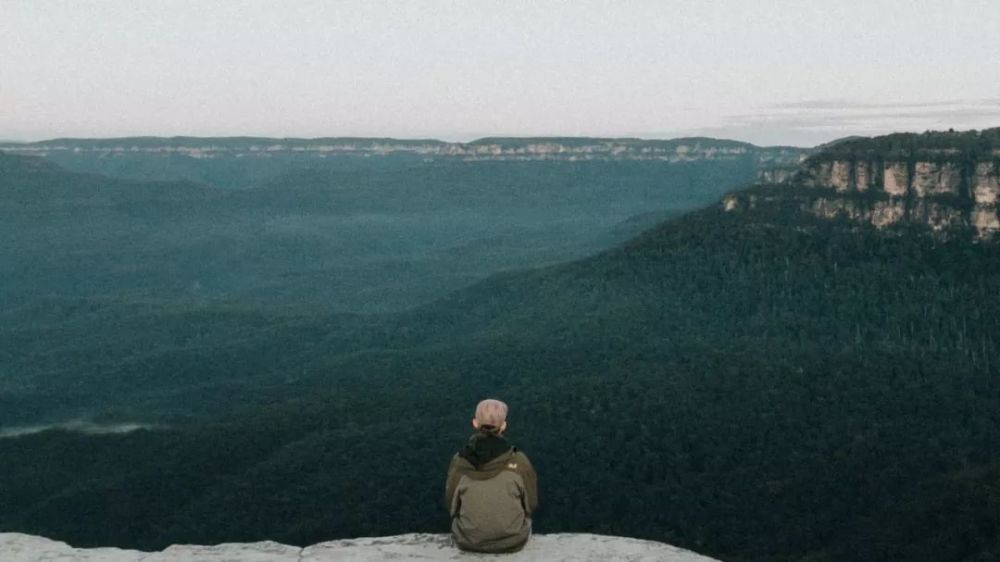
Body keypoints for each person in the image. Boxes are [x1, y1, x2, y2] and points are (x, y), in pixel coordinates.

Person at [444, 398, 538, 553]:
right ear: (503, 426)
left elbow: (451, 505)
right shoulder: (519, 461)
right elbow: (531, 504)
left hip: (468, 539)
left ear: (475, 423)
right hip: (513, 540)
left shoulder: (460, 461)